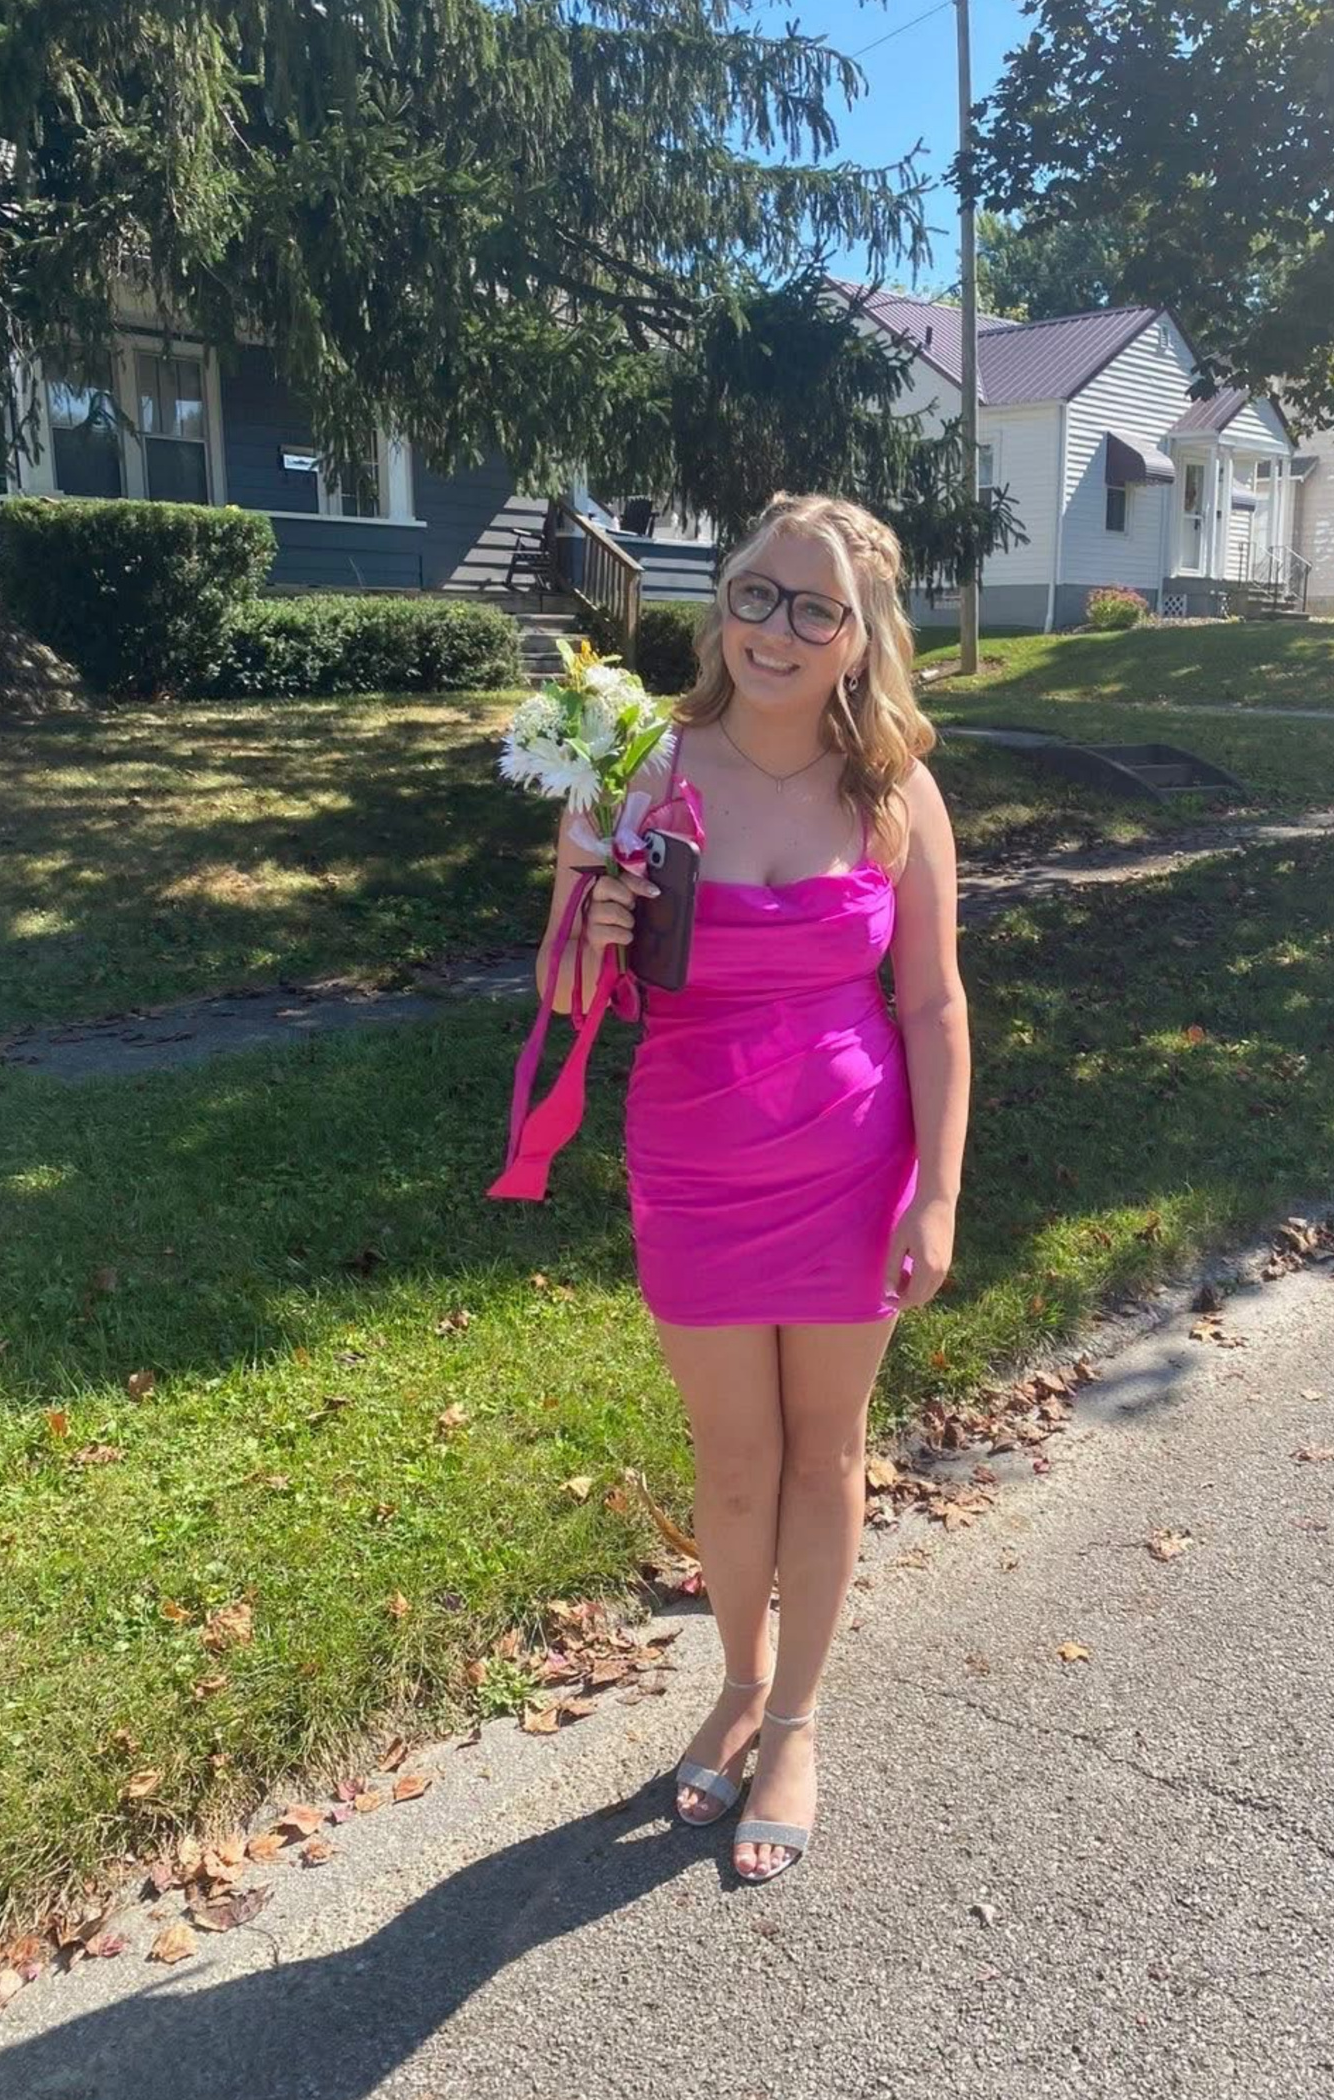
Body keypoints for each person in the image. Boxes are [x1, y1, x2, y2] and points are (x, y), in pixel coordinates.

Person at [533, 490, 970, 1883]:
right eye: (754, 595)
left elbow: (934, 1006)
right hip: (695, 1159)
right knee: (732, 1462)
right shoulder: (636, 768)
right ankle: (736, 1680)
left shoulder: (893, 790)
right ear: (722, 601)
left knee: (825, 1453)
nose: (775, 630)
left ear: (861, 634)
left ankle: (794, 1721)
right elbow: (564, 991)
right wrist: (592, 921)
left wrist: (938, 1193)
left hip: (854, 1161)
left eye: (814, 608)